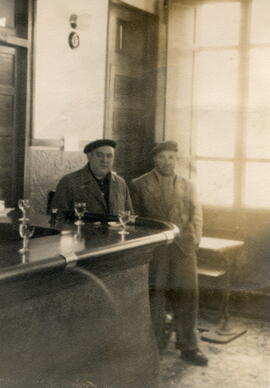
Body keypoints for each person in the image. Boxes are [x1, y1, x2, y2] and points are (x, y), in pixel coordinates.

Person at [130, 140, 208, 366]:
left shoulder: (188, 185)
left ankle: (189, 347)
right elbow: (136, 220)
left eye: (172, 157)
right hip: (156, 251)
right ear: (155, 160)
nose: (167, 162)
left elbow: (197, 215)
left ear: (177, 160)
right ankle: (154, 345)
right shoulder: (139, 185)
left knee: (187, 297)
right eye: (163, 157)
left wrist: (194, 241)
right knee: (156, 298)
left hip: (184, 249)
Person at [52, 139, 133, 221]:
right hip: (82, 233)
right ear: (89, 156)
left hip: (115, 234)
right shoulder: (69, 182)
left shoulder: (121, 183)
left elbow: (129, 218)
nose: (104, 160)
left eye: (109, 156)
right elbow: (58, 219)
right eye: (99, 155)